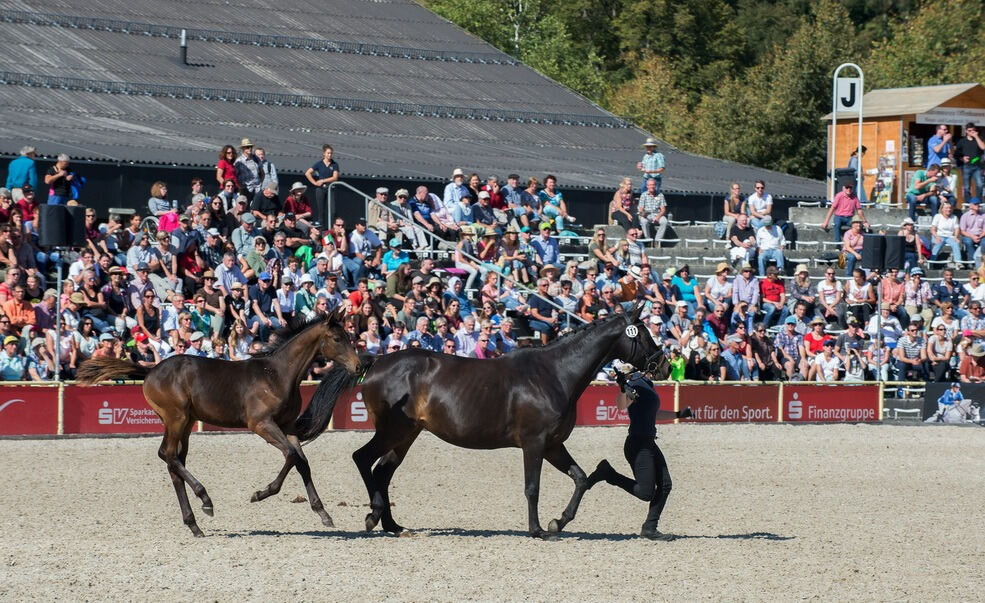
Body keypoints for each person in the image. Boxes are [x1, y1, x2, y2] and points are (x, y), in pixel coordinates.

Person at [586, 362, 691, 541]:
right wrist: (621, 389)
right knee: (645, 492)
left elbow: (653, 414)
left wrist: (677, 414)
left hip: (649, 442)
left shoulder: (648, 384)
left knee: (665, 485)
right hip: (637, 444)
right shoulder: (634, 382)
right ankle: (608, 474)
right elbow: (621, 406)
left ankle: (650, 528)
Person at [304, 144, 340, 220]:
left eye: (331, 153)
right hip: (320, 189)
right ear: (324, 153)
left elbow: (335, 177)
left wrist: (323, 180)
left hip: (331, 188)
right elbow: (307, 173)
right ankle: (322, 229)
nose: (330, 155)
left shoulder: (334, 164)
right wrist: (314, 182)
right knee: (321, 211)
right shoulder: (319, 164)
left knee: (333, 210)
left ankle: (332, 228)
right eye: (328, 153)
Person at [955, 123, 984, 201]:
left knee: (980, 184)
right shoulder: (962, 141)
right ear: (966, 131)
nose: (972, 132)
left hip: (977, 166)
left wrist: (976, 136)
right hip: (966, 166)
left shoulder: (979, 138)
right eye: (969, 130)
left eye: (973, 130)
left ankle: (978, 202)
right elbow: (956, 154)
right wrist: (962, 158)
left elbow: (983, 147)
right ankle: (968, 202)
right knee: (967, 186)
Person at [637, 177, 668, 243]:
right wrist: (644, 215)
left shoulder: (660, 195)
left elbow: (663, 210)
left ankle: (657, 240)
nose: (652, 186)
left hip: (657, 213)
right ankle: (648, 240)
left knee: (664, 221)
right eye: (650, 185)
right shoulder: (643, 195)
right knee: (643, 221)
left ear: (655, 185)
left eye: (653, 185)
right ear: (647, 186)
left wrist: (658, 217)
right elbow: (640, 209)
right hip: (647, 214)